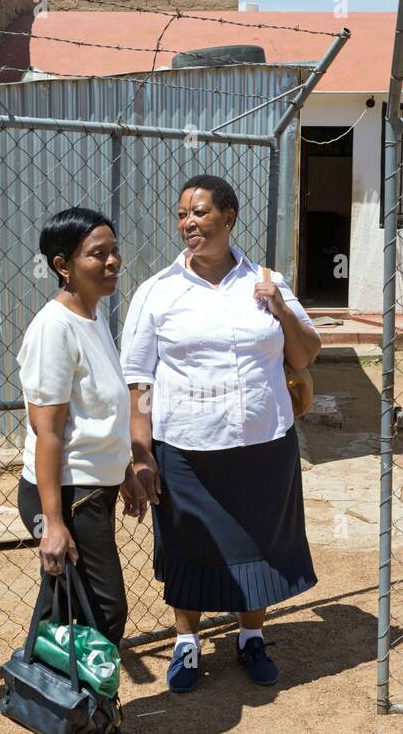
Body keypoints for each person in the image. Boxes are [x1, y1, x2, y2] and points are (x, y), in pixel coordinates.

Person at [120, 175, 322, 694]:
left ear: (229, 217)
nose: (189, 222)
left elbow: (304, 354)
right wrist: (140, 451)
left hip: (263, 444)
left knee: (259, 541)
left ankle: (250, 637)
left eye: (201, 212)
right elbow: (138, 380)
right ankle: (186, 645)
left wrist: (278, 305)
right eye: (182, 214)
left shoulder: (267, 282)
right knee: (191, 546)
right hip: (186, 447)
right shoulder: (158, 292)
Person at [15, 206, 172, 734]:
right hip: (67, 499)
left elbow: (96, 420)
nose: (112, 262)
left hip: (90, 490)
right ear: (61, 266)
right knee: (102, 617)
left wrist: (125, 471)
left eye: (113, 250)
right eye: (96, 253)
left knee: (60, 611)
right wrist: (53, 522)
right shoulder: (53, 329)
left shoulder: (93, 316)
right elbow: (49, 432)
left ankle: (46, 709)